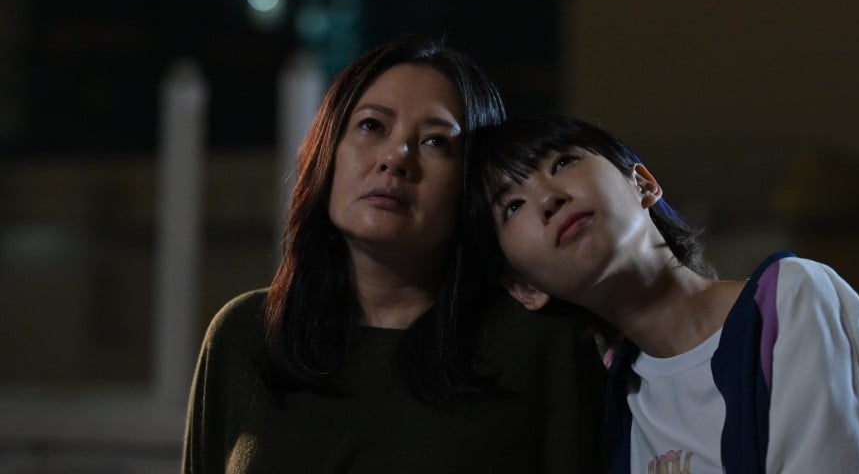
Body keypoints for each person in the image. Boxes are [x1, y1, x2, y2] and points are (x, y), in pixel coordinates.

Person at [182, 38, 605, 473]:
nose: (394, 159)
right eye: (372, 126)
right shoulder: (247, 334)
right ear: (328, 151)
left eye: (436, 142)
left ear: (473, 184)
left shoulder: (538, 343)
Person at [466, 114, 859, 474]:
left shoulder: (790, 302)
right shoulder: (618, 401)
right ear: (525, 288)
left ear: (643, 184)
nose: (548, 199)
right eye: (511, 206)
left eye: (563, 162)